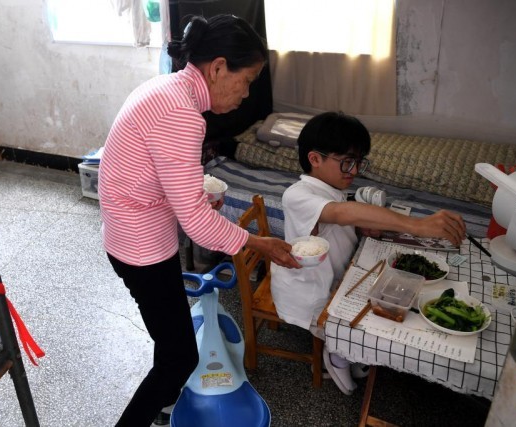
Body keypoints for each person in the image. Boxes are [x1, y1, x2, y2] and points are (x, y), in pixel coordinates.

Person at [98, 14, 300, 427]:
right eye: (247, 80)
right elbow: (194, 221)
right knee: (179, 357)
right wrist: (259, 243)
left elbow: (155, 179)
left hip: (129, 232)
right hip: (140, 247)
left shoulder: (168, 89)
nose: (246, 93)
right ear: (219, 67)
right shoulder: (181, 114)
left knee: (169, 337)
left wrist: (190, 202)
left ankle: (164, 404)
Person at [270, 111, 466, 395]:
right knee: (371, 324)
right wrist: (418, 226)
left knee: (387, 297)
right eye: (346, 162)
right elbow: (339, 214)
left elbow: (343, 219)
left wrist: (362, 229)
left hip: (339, 276)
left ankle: (352, 350)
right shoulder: (297, 195)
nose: (354, 171)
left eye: (358, 162)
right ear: (315, 159)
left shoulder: (333, 187)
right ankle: (337, 354)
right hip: (309, 293)